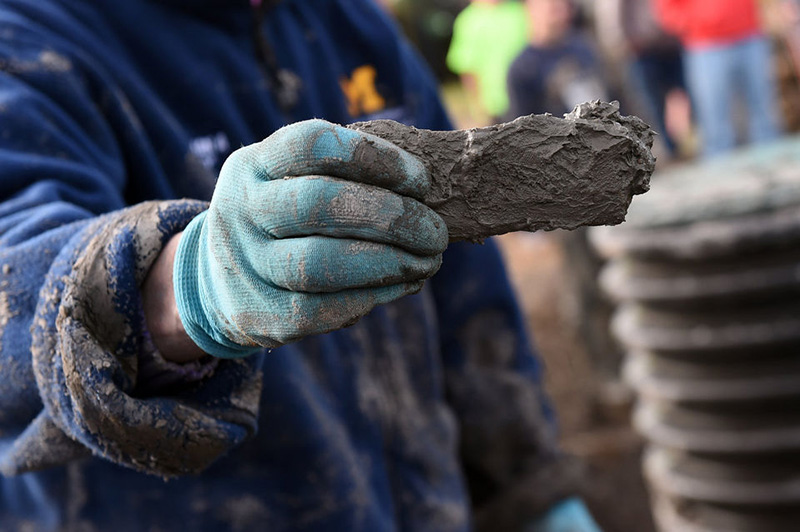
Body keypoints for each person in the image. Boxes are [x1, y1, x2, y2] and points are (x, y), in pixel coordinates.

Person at [0, 0, 601, 530]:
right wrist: (182, 288)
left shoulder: (346, 22)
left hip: (420, 497)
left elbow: (467, 298)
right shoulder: (29, 37)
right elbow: (15, 271)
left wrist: (526, 485)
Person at [655, 0, 783, 157]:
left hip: (750, 35)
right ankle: (720, 175)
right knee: (715, 126)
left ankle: (775, 165)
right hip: (706, 46)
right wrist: (699, 22)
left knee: (765, 114)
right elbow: (667, 11)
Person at [506, 0, 607, 119]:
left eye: (565, 7)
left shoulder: (584, 48)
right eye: (554, 9)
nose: (562, 15)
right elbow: (520, 126)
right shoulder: (523, 68)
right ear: (531, 10)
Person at [446, 0, 529, 123]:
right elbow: (468, 70)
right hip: (493, 106)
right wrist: (479, 109)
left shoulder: (521, 11)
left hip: (527, 99)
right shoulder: (467, 21)